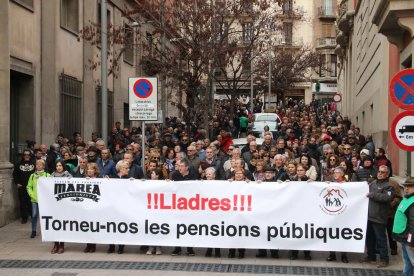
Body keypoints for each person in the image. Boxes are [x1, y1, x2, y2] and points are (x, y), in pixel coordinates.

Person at [363, 165, 395, 268]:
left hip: (380, 217)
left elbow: (386, 197)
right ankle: (370, 256)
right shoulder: (372, 184)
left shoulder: (389, 186)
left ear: (387, 174)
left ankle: (384, 259)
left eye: (383, 172)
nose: (380, 173)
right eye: (379, 171)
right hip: (369, 216)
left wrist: (373, 195)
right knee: (369, 238)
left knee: (381, 239)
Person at [171, 159, 198, 256]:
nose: (179, 168)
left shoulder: (193, 176)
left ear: (187, 167)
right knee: (177, 227)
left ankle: (189, 249)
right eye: (178, 166)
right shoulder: (175, 175)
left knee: (188, 227)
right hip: (178, 205)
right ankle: (177, 248)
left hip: (189, 206)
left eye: (181, 166)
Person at [326, 166, 349, 263]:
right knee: (331, 234)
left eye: (337, 172)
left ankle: (343, 255)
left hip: (343, 213)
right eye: (334, 172)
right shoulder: (330, 183)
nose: (335, 174)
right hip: (331, 213)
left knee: (342, 234)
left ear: (342, 174)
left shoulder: (348, 184)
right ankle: (332, 254)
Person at [108, 160, 131, 254]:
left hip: (124, 207)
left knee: (122, 227)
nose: (128, 170)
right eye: (126, 168)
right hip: (113, 207)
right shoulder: (112, 178)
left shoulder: (129, 179)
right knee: (112, 226)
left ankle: (121, 246)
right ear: (120, 169)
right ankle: (111, 245)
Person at [392, 177, 414, 276]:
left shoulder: (412, 202)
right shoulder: (407, 198)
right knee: (407, 261)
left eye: (410, 186)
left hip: (408, 239)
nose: (406, 189)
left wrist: (411, 241)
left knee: (411, 261)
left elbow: (413, 224)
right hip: (404, 238)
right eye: (405, 186)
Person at [50, 160, 72, 254]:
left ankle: (61, 245)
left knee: (62, 225)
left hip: (64, 204)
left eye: (60, 165)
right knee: (55, 224)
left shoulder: (68, 175)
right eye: (57, 165)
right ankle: (55, 244)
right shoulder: (52, 176)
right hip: (54, 204)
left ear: (63, 166)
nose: (59, 167)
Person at [26, 159, 50, 238]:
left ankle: (46, 231)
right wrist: (32, 195)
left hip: (44, 200)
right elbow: (29, 187)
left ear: (43, 166)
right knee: (34, 215)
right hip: (34, 199)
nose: (38, 166)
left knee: (45, 215)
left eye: (40, 165)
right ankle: (33, 230)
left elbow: (50, 187)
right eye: (37, 164)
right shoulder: (32, 176)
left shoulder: (47, 175)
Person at [13, 150, 35, 224]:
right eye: (25, 154)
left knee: (31, 202)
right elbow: (15, 174)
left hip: (32, 187)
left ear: (30, 155)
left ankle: (33, 216)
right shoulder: (18, 164)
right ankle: (24, 217)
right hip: (22, 186)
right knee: (22, 202)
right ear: (23, 155)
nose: (26, 156)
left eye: (28, 154)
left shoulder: (34, 163)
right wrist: (17, 183)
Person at [204, 167, 221, 258]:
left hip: (216, 211)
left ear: (214, 175)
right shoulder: (201, 183)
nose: (208, 175)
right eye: (207, 174)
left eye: (209, 174)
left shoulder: (219, 184)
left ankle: (217, 251)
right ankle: (209, 249)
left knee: (216, 231)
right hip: (207, 212)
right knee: (208, 232)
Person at [83, 163, 100, 253]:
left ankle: (93, 245)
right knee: (86, 226)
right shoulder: (83, 180)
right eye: (88, 169)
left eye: (91, 169)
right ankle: (88, 245)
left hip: (96, 208)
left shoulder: (99, 180)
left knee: (93, 227)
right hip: (86, 207)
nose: (89, 171)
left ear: (95, 171)